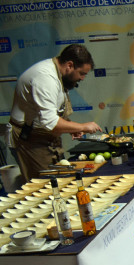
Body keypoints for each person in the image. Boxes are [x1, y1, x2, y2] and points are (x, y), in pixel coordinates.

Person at [10, 44, 102, 181]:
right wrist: (83, 127)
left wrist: (71, 127)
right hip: (31, 141)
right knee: (45, 187)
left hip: (46, 137)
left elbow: (52, 113)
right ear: (69, 65)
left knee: (61, 181)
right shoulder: (45, 78)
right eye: (82, 73)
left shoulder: (57, 74)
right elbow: (50, 121)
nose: (82, 78)